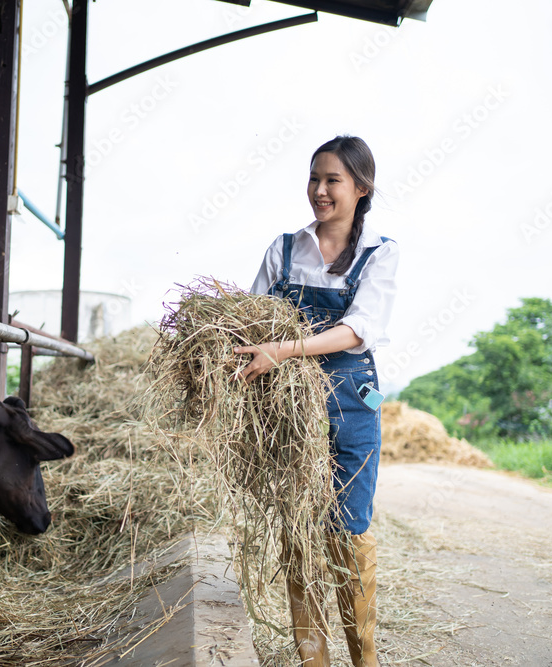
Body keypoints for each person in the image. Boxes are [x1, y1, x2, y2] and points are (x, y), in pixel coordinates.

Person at [234, 135, 398, 667]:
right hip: (288, 413)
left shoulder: (379, 253)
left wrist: (282, 350)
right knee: (299, 531)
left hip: (352, 402)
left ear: (361, 187)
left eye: (333, 180)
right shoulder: (283, 249)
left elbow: (358, 330)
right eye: (314, 178)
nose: (320, 191)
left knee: (347, 531)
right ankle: (314, 662)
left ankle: (364, 660)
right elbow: (252, 320)